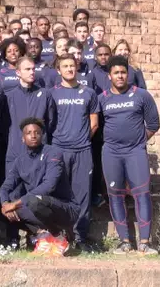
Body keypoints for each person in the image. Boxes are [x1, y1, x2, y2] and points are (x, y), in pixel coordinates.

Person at [97, 55, 160, 255]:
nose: (120, 76)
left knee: (142, 194)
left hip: (135, 152)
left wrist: (137, 142)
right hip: (111, 153)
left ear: (129, 74)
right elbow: (96, 127)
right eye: (116, 73)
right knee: (115, 196)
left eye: (123, 72)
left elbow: (153, 124)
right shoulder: (102, 99)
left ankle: (144, 242)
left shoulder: (142, 95)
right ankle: (124, 241)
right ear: (110, 76)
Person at [0, 118, 77, 256]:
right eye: (29, 133)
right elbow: (5, 187)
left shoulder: (53, 153)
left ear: (42, 135)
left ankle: (60, 236)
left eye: (37, 132)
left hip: (64, 208)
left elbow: (49, 186)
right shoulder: (20, 161)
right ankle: (44, 238)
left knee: (34, 201)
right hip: (37, 206)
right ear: (23, 138)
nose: (33, 135)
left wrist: (15, 204)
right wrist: (5, 204)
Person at [50, 53, 99, 253]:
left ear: (77, 67)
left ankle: (80, 237)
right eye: (65, 66)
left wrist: (81, 139)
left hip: (83, 151)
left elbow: (94, 123)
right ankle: (59, 236)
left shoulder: (89, 93)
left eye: (72, 65)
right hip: (59, 150)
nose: (70, 69)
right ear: (58, 70)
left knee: (82, 196)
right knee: (59, 195)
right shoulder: (52, 93)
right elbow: (48, 122)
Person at [4, 57, 55, 174]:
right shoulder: (9, 97)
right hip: (15, 150)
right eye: (27, 69)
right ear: (18, 72)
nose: (32, 72)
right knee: (13, 190)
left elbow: (51, 122)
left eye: (33, 69)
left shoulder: (45, 94)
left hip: (39, 151)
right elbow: (4, 124)